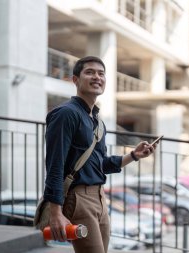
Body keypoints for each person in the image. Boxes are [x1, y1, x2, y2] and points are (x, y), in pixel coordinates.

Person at [43, 56, 157, 253]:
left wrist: (134, 155)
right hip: (78, 199)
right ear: (75, 80)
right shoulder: (66, 114)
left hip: (100, 197)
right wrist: (55, 212)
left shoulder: (96, 120)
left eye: (101, 73)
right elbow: (55, 164)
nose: (97, 77)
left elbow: (100, 164)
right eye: (89, 72)